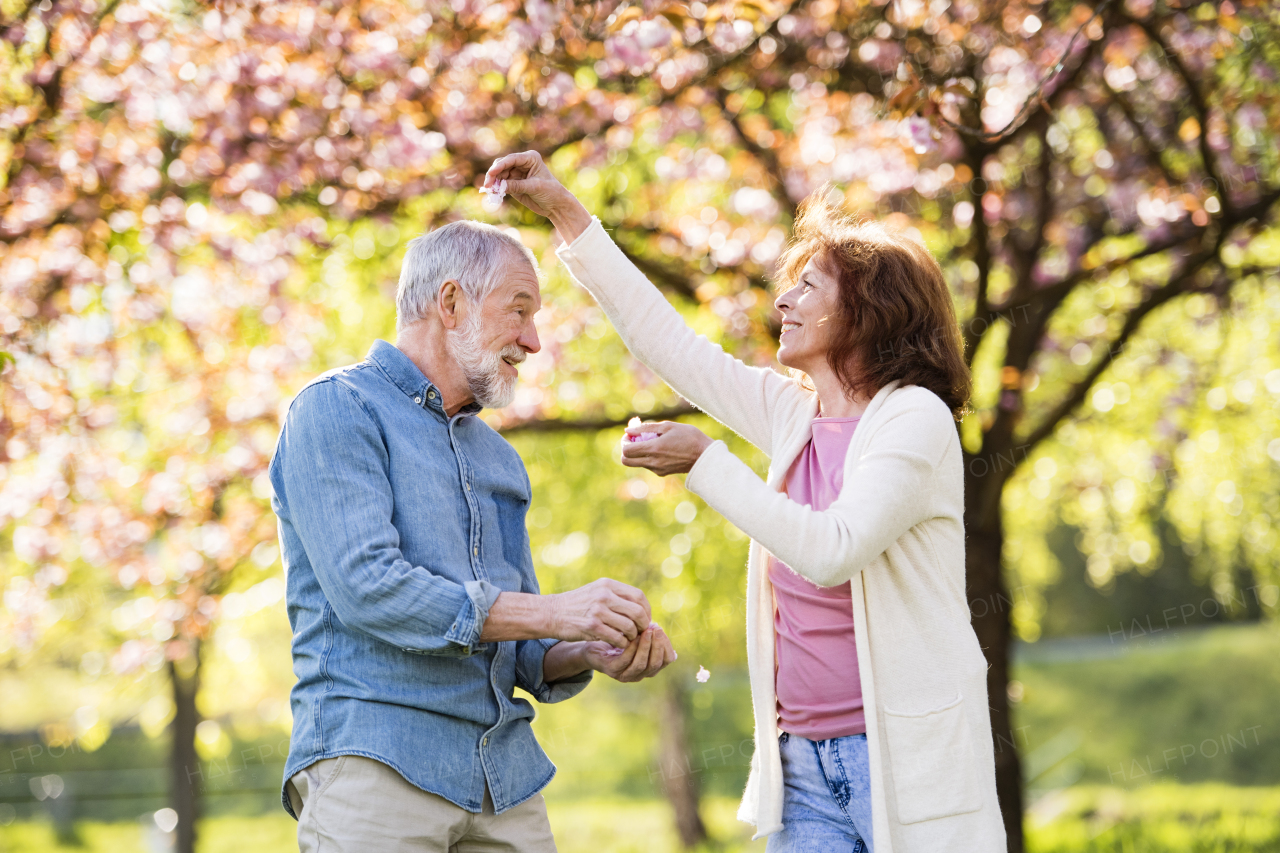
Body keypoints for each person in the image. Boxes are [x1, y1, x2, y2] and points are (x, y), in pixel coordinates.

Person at [484, 152, 1005, 852]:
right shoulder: (795, 414)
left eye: (807, 286)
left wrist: (706, 463)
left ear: (870, 307)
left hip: (903, 763)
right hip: (803, 767)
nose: (782, 302)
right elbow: (668, 344)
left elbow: (832, 548)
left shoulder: (914, 419)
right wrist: (565, 212)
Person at [269, 219, 676, 853]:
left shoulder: (499, 459)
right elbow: (369, 588)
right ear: (451, 302)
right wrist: (559, 611)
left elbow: (524, 648)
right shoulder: (336, 409)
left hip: (502, 782)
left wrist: (588, 648)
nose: (534, 340)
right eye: (519, 311)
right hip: (378, 765)